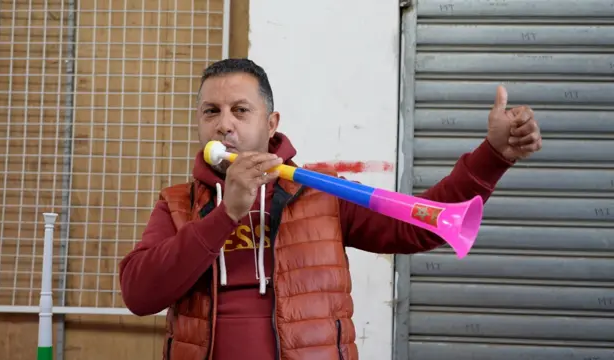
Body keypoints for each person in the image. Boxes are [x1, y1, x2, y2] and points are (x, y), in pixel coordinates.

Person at [118, 58, 542, 360]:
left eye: (240, 110)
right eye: (211, 111)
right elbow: (139, 295)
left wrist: (493, 155)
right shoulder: (177, 204)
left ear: (270, 124)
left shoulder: (322, 195)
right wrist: (225, 215)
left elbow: (420, 225)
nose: (224, 124)